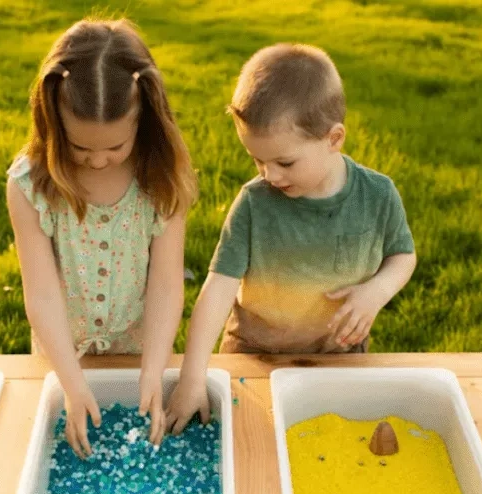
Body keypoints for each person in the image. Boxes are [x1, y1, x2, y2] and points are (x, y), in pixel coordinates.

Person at [166, 43, 416, 433]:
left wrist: (377, 290)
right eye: (257, 160)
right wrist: (192, 377)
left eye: (284, 162)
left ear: (334, 138)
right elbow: (218, 288)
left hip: (338, 357)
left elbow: (402, 255)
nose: (269, 175)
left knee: (328, 443)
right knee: (251, 446)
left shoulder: (377, 195)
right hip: (254, 357)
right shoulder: (254, 203)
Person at [7, 18, 197, 457]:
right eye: (79, 147)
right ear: (53, 122)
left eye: (115, 147)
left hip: (139, 352)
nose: (97, 161)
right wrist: (72, 385)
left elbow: (166, 284)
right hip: (61, 354)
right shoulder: (30, 186)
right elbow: (42, 294)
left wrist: (153, 372)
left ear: (143, 122)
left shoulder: (161, 179)